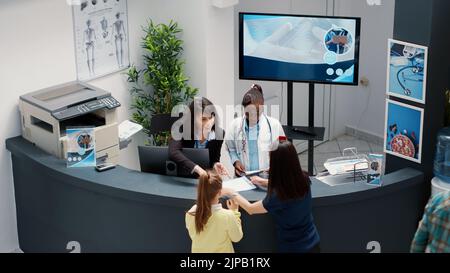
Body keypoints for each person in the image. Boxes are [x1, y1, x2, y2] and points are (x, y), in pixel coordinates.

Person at [222, 138, 320, 253]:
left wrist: (230, 192)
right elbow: (287, 183)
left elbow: (250, 209)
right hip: (313, 242)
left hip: (293, 248)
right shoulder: (303, 178)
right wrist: (263, 182)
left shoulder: (277, 196)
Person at [225, 84, 285, 179]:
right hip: (243, 178)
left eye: (256, 112)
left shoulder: (274, 125)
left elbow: (284, 150)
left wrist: (276, 166)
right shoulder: (234, 126)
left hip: (267, 178)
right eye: (248, 114)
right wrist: (236, 161)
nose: (252, 117)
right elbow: (231, 149)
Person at [169, 97, 228, 177]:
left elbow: (214, 158)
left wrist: (215, 164)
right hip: (184, 177)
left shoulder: (219, 133)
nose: (208, 123)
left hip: (203, 181)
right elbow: (173, 152)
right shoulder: (181, 128)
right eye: (203, 119)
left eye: (210, 118)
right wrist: (197, 168)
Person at [185, 171, 243, 253]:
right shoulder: (227, 216)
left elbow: (194, 236)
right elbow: (237, 237)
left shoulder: (191, 212)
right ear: (219, 193)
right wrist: (235, 212)